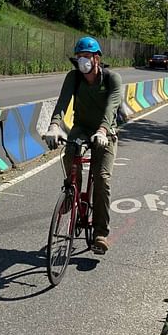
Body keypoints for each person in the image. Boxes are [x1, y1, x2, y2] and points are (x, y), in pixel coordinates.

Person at [43, 36, 122, 255]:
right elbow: (62, 102)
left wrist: (103, 131)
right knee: (69, 154)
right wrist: (54, 126)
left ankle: (100, 233)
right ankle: (72, 191)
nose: (82, 61)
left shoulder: (112, 79)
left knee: (102, 178)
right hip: (81, 128)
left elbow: (111, 108)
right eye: (79, 57)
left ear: (97, 58)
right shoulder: (74, 77)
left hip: (105, 132)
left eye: (86, 57)